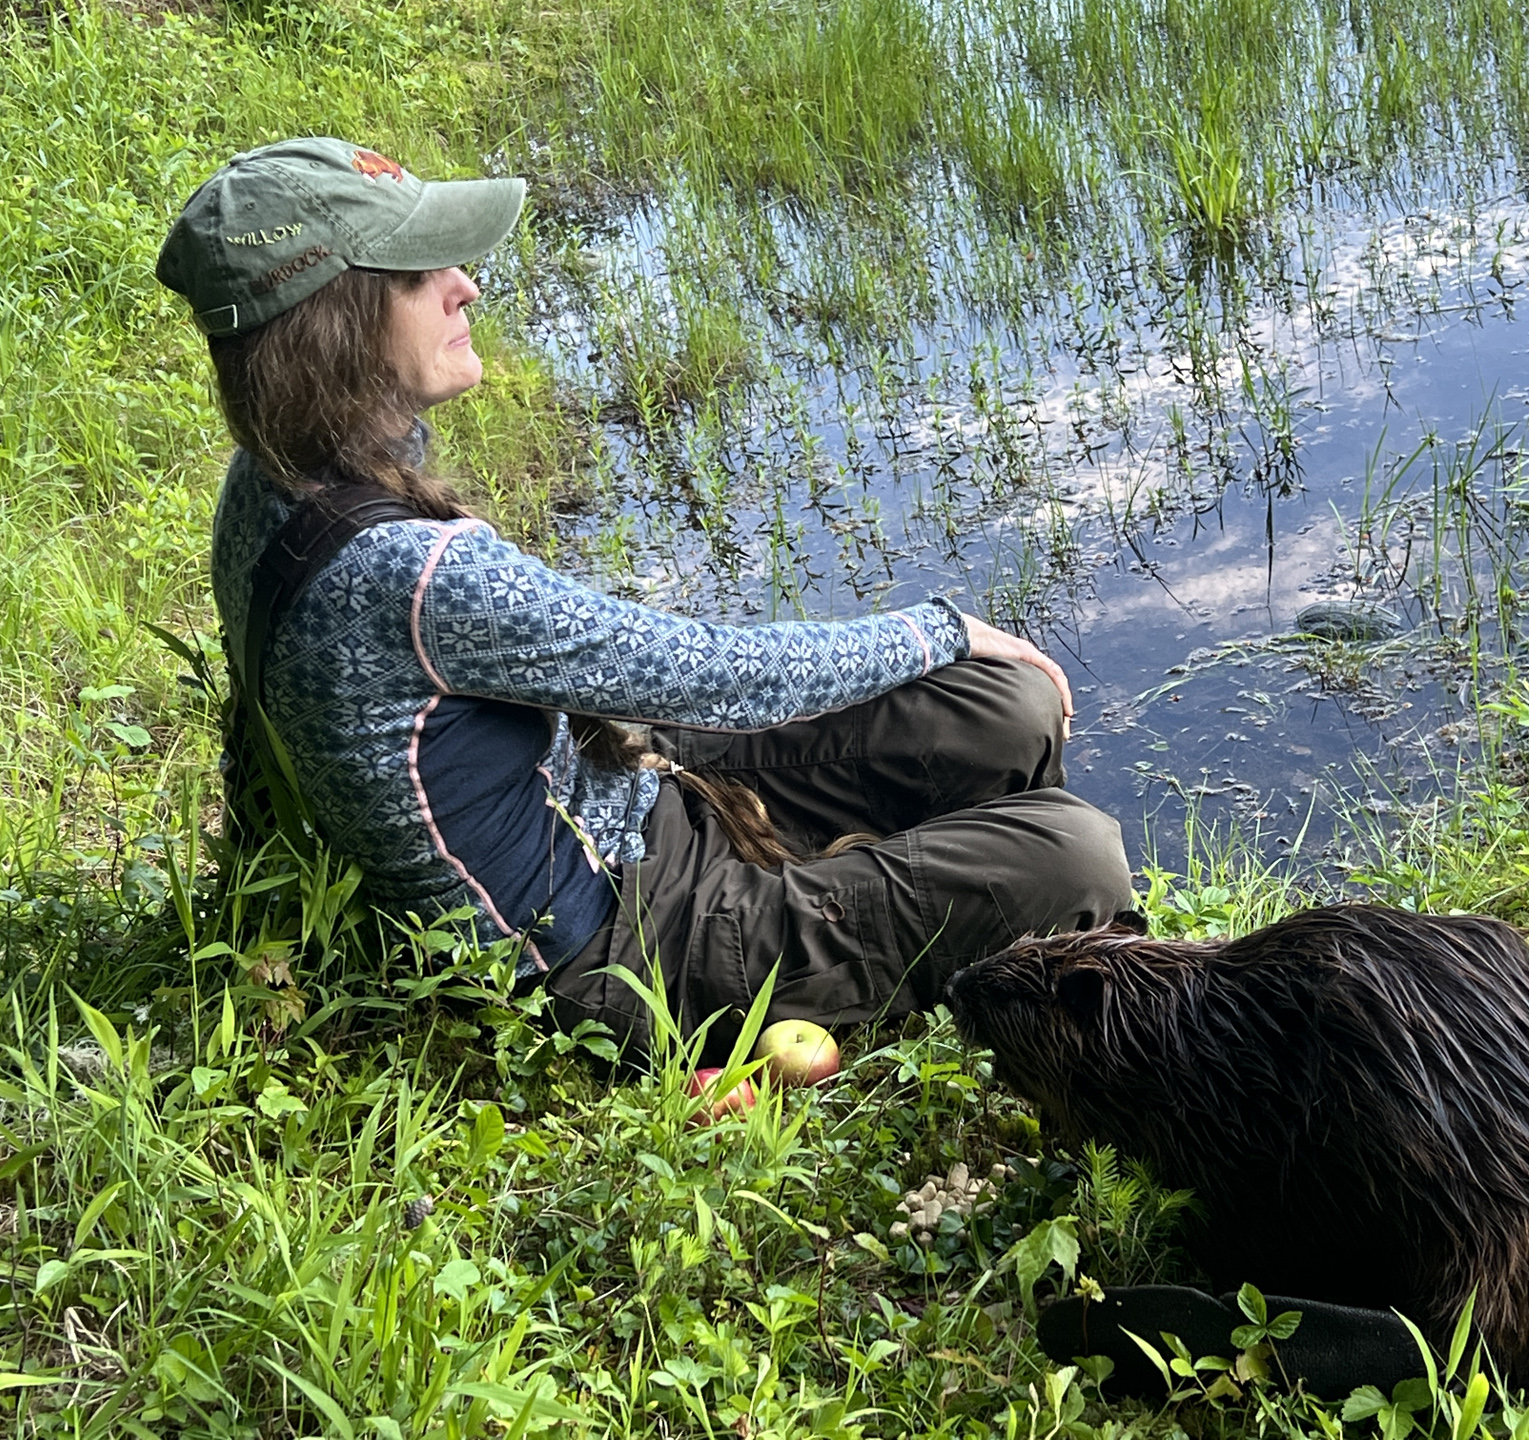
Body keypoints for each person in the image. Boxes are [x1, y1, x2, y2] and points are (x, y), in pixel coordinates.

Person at [156, 137, 1133, 1063]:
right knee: (1076, 858)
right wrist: (941, 628)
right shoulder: (407, 572)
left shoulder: (273, 472)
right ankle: (969, 927)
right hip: (614, 952)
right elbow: (708, 674)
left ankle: (924, 885)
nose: (466, 285)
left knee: (1007, 709)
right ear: (336, 328)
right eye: (421, 274)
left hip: (623, 796)